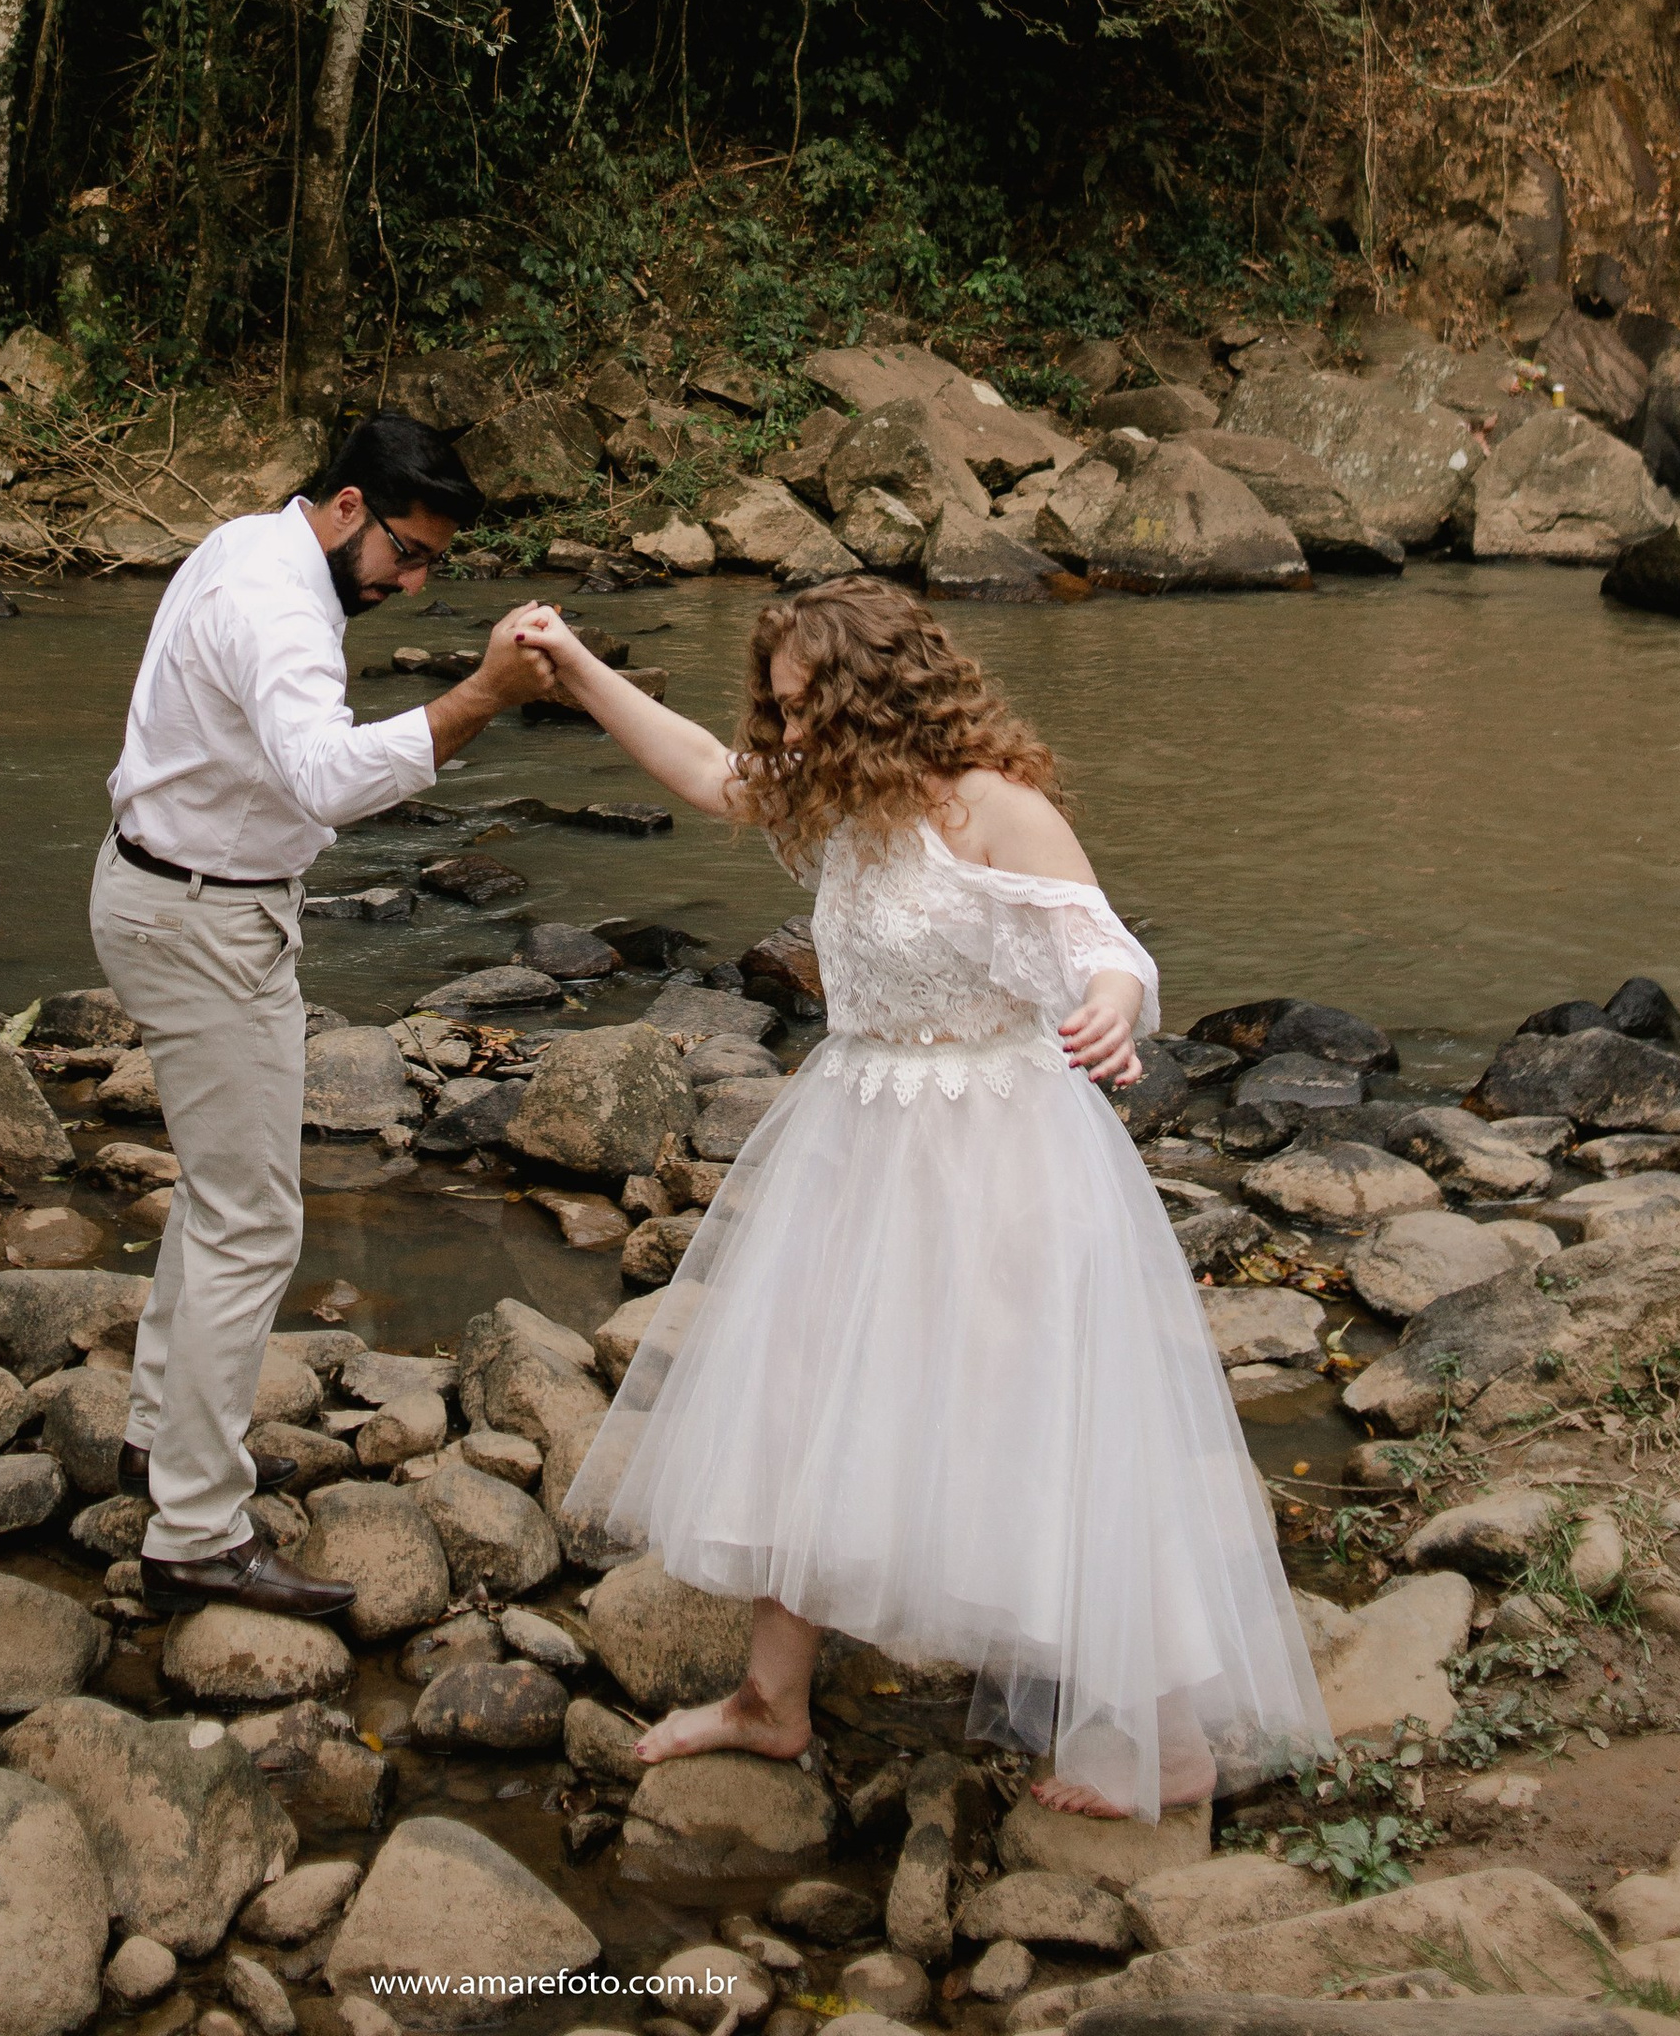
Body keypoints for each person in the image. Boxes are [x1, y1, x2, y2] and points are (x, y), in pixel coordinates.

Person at [508, 574, 1330, 1820]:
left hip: (996, 1153)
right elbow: (696, 767)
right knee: (800, 1398)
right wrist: (571, 662)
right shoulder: (838, 794)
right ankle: (769, 1704)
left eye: (798, 710)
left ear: (868, 697)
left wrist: (1108, 1014)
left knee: (1041, 1425)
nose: (780, 736)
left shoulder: (995, 809)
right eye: (774, 712)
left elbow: (1106, 950)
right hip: (857, 1134)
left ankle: (1164, 1740)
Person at [90, 411, 552, 1617]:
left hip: (164, 891)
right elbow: (329, 779)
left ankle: (158, 1440)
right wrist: (483, 696)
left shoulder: (252, 543)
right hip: (203, 924)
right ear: (346, 506)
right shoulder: (281, 609)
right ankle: (194, 1531)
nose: (414, 581)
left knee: (218, 1192)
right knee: (253, 1224)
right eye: (408, 553)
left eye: (435, 564)